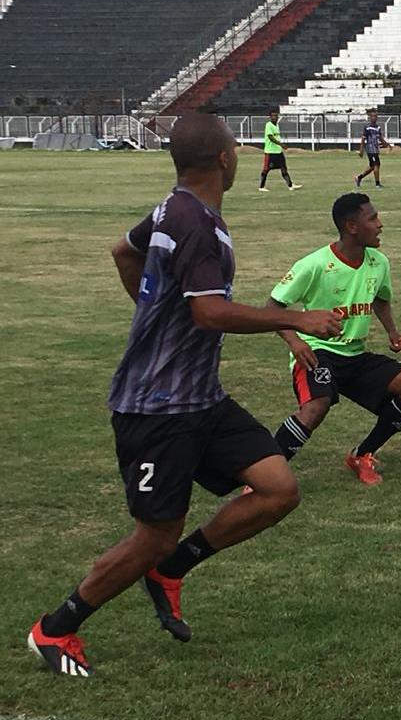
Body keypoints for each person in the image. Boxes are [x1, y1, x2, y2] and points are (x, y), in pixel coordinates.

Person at [27, 113, 341, 677]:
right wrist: (296, 320)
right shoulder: (196, 224)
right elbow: (208, 311)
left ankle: (172, 569)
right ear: (224, 160)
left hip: (202, 398)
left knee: (278, 488)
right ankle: (55, 629)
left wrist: (155, 319)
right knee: (153, 534)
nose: (240, 155)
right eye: (236, 149)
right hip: (155, 408)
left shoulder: (171, 208)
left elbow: (123, 252)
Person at [267, 193, 401, 486]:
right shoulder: (314, 264)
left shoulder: (378, 262)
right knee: (317, 406)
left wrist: (392, 331)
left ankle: (361, 454)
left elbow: (380, 299)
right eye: (373, 218)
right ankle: (264, 478)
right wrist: (296, 342)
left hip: (355, 354)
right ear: (352, 227)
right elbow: (273, 307)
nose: (380, 224)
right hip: (317, 351)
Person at [259, 109, 302, 192]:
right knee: (266, 169)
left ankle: (290, 185)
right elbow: (270, 137)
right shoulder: (268, 125)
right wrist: (281, 144)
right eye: (273, 116)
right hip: (270, 152)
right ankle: (261, 187)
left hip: (278, 152)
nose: (275, 117)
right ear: (270, 117)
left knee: (283, 168)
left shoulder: (277, 125)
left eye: (276, 116)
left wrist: (280, 146)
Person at [355, 110, 393, 190]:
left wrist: (387, 145)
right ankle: (377, 184)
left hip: (376, 149)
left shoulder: (378, 127)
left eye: (376, 116)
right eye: (373, 116)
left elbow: (380, 138)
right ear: (370, 117)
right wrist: (361, 150)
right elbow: (363, 139)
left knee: (372, 166)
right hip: (370, 149)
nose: (374, 118)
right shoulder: (367, 128)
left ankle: (359, 178)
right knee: (377, 165)